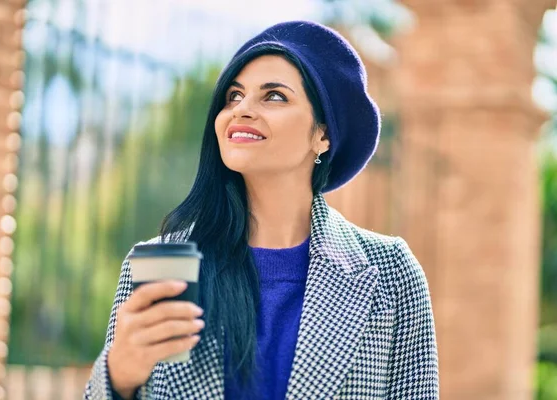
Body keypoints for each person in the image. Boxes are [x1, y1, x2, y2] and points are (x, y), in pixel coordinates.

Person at [84, 20, 439, 400]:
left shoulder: (390, 273)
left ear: (323, 134)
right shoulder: (161, 264)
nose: (242, 110)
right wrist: (117, 375)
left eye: (273, 96)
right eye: (234, 96)